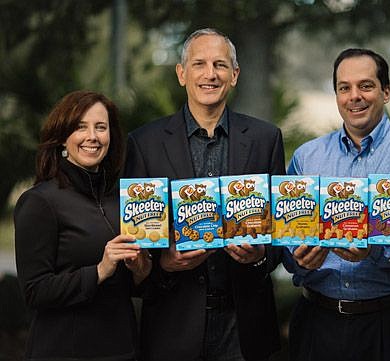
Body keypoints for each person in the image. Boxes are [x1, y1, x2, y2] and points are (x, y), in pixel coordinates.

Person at [123, 28, 284, 361]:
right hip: (173, 325)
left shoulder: (266, 138)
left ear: (235, 75)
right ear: (182, 74)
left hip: (245, 331)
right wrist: (164, 264)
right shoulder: (144, 143)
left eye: (220, 65)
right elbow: (134, 241)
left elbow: (280, 235)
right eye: (199, 64)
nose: (210, 74)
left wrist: (259, 256)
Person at [284, 48, 390, 361]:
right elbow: (287, 244)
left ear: (386, 92)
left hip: (389, 324)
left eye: (366, 86)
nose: (354, 96)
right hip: (317, 321)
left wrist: (374, 250)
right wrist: (298, 258)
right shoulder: (307, 157)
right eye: (344, 88)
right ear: (336, 95)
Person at [14, 90, 152, 360]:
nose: (92, 136)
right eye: (81, 127)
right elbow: (34, 291)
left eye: (101, 127)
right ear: (63, 137)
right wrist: (100, 270)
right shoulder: (40, 202)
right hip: (64, 351)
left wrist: (140, 271)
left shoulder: (123, 201)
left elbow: (130, 288)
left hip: (122, 350)